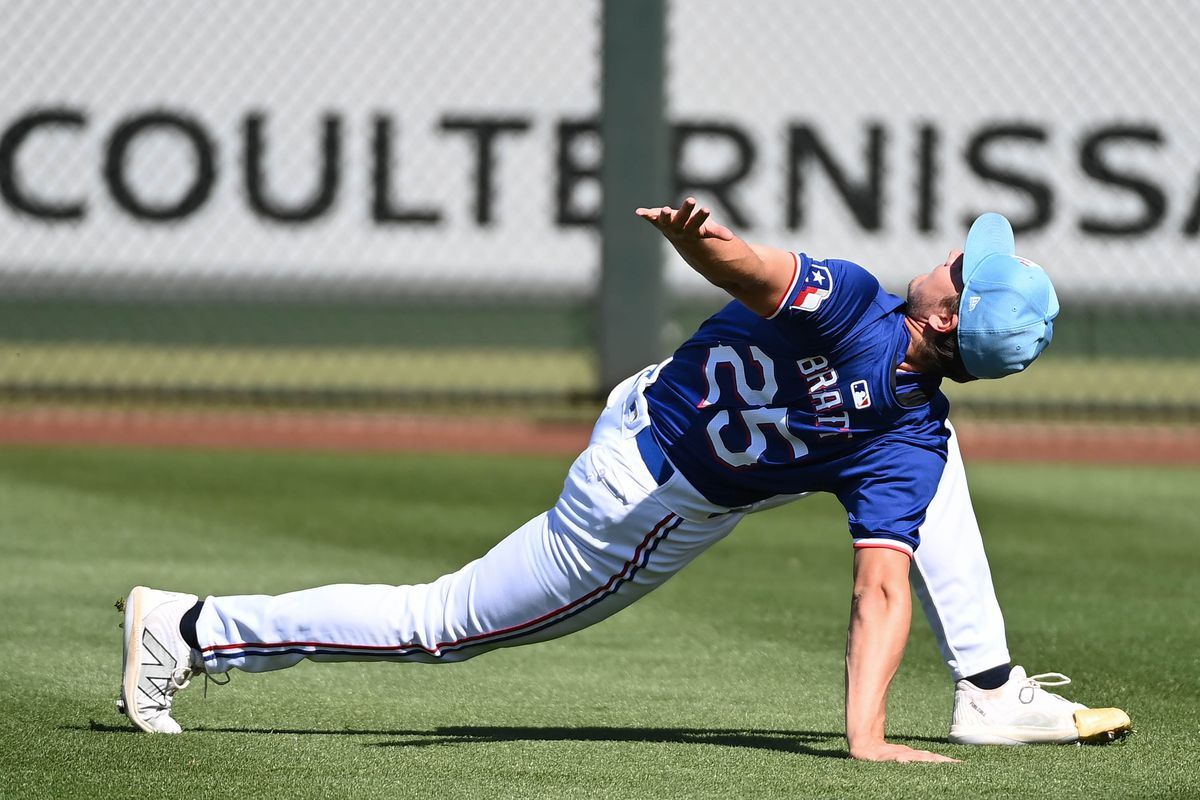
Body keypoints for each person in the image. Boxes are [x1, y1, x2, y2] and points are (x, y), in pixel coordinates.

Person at [118, 200, 1130, 761]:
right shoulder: (904, 428)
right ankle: (196, 628)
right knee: (441, 622)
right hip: (644, 495)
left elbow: (759, 274)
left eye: (965, 268)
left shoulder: (860, 306)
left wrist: (704, 242)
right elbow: (877, 585)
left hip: (644, 429)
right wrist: (863, 734)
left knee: (905, 460)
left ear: (948, 318)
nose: (954, 254)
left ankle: (989, 686)